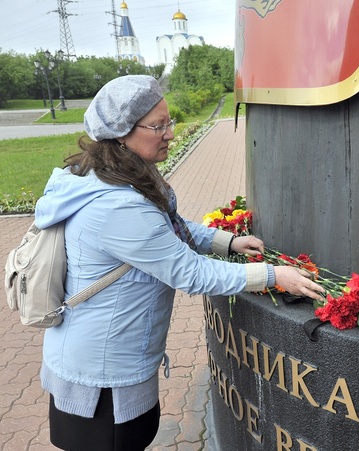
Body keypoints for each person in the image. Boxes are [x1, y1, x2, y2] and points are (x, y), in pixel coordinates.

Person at [34, 75, 324, 451]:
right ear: (121, 134)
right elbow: (189, 271)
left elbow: (168, 225)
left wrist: (229, 241)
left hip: (106, 355)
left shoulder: (114, 176)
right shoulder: (115, 205)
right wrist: (274, 275)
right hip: (101, 374)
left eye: (168, 122)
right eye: (158, 126)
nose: (169, 133)